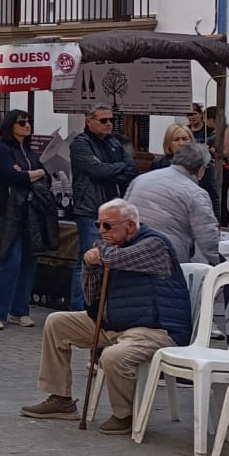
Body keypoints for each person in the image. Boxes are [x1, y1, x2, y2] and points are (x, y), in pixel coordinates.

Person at [23, 198, 192, 432]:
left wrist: (95, 255)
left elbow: (115, 259)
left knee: (112, 356)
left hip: (154, 328)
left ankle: (124, 414)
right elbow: (92, 297)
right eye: (99, 225)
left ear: (130, 226)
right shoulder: (112, 245)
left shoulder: (154, 245)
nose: (101, 231)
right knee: (57, 322)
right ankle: (61, 399)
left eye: (107, 226)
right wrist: (90, 269)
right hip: (113, 322)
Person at [0, 110, 51, 330]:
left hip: (30, 211)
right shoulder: (1, 150)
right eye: (22, 122)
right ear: (11, 125)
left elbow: (44, 174)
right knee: (11, 260)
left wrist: (31, 173)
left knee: (29, 260)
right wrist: (31, 174)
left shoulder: (29, 150)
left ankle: (19, 310)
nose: (27, 125)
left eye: (29, 121)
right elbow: (13, 175)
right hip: (9, 211)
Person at [68, 106, 136, 308]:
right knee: (88, 259)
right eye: (104, 120)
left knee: (109, 260)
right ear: (89, 121)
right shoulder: (80, 143)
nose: (109, 124)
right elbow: (97, 170)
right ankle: (78, 308)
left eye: (111, 120)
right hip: (90, 209)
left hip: (113, 210)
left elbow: (131, 168)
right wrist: (117, 169)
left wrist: (113, 169)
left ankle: (100, 307)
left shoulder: (114, 142)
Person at [125, 143, 222, 265]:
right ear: (201, 169)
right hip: (168, 257)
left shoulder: (141, 179)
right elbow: (208, 238)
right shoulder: (195, 193)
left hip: (131, 251)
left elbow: (123, 212)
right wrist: (219, 263)